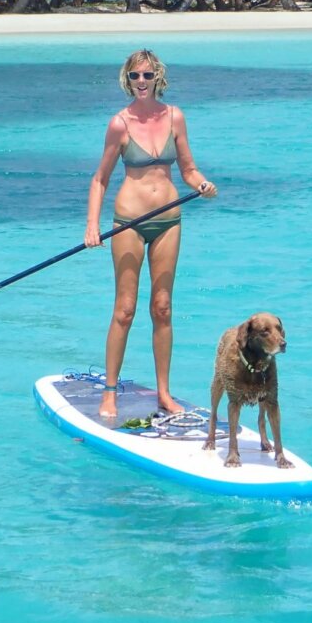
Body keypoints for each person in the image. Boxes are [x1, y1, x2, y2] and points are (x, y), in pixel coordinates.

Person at [85, 49, 217, 418]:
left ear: (157, 77)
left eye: (146, 76)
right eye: (134, 77)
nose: (140, 82)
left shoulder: (175, 117)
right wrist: (92, 226)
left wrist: (203, 183)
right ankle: (109, 392)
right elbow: (100, 179)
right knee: (125, 310)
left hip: (169, 221)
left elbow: (188, 170)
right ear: (126, 80)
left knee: (162, 307)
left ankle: (163, 393)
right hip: (129, 222)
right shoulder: (119, 124)